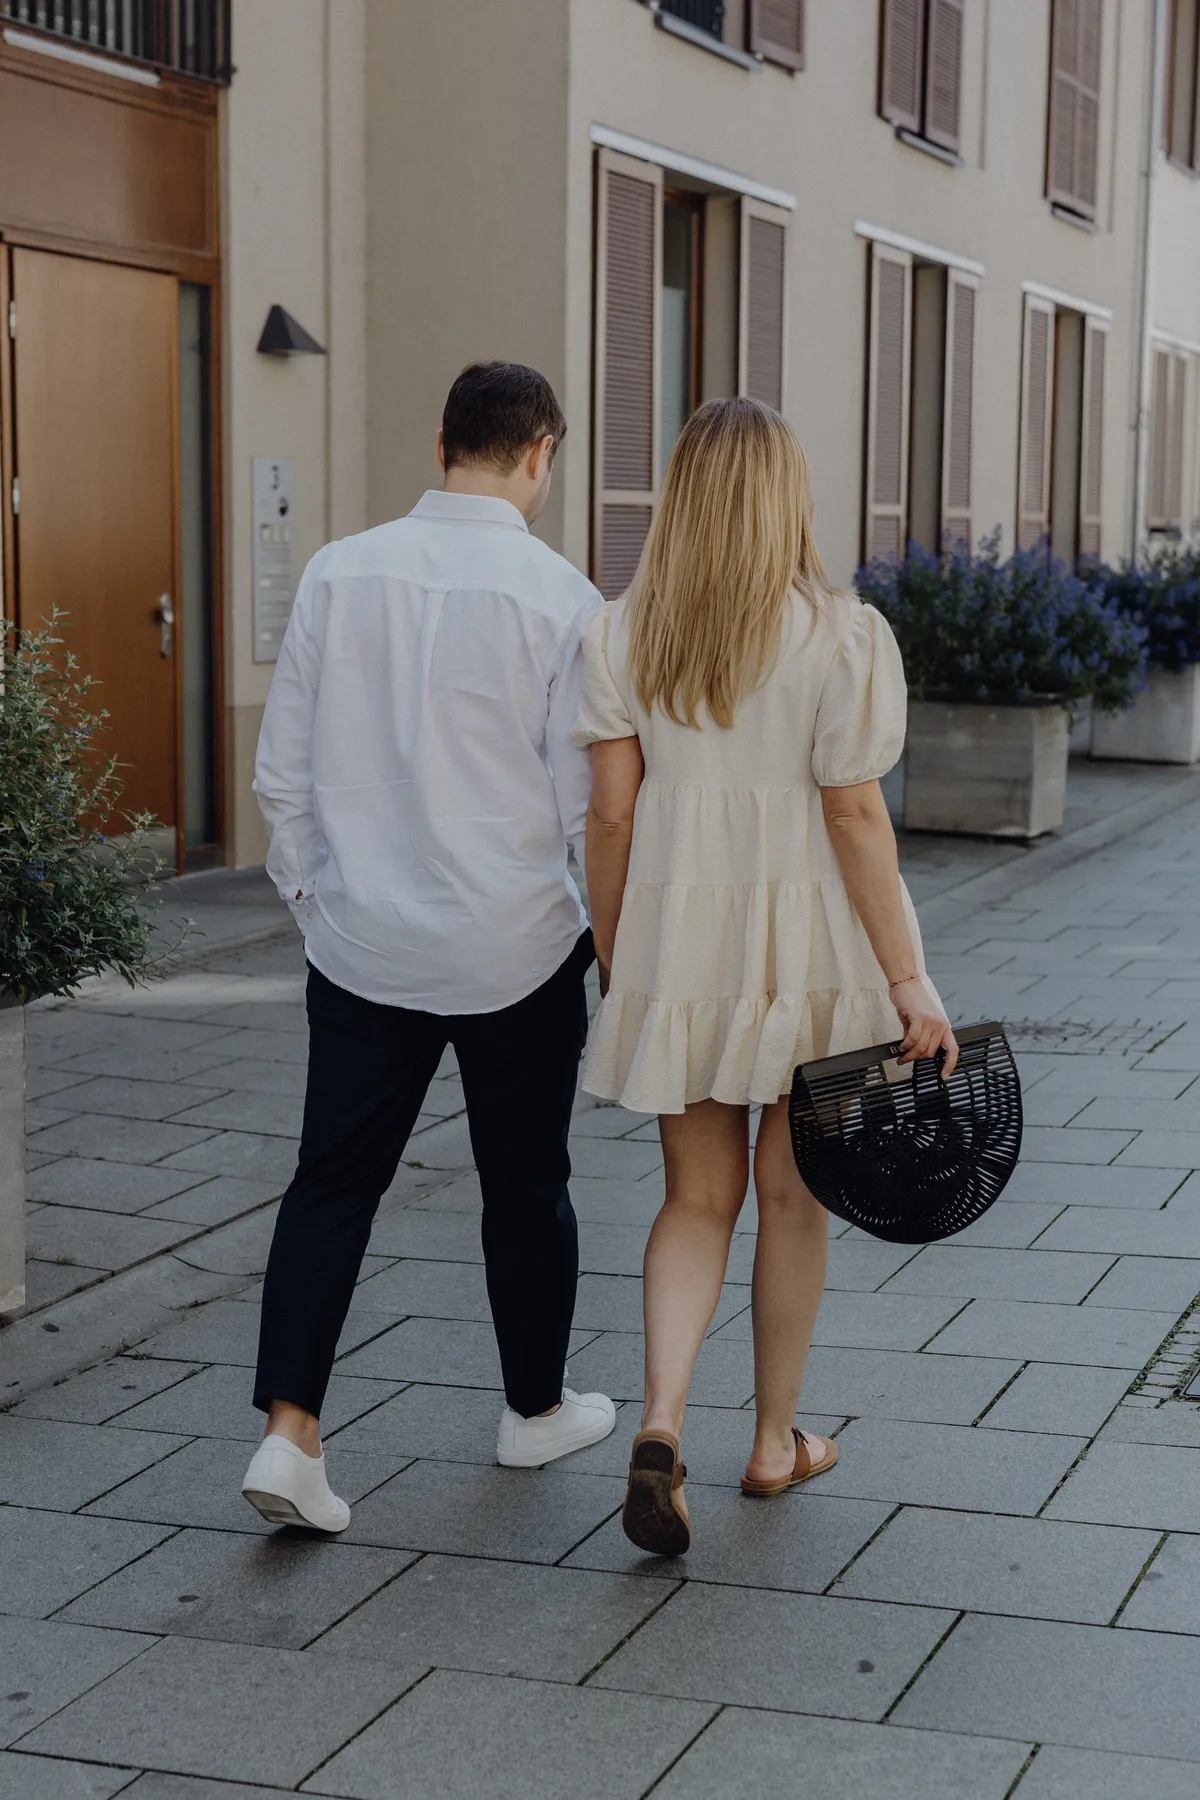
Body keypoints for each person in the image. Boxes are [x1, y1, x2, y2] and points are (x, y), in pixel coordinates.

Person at [574, 397, 956, 1557]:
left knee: (696, 1198)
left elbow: (609, 814)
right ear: (787, 497)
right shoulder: (845, 636)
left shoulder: (623, 633)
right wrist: (911, 980)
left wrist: (614, 952)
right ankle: (775, 1441)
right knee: (794, 1197)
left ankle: (658, 1422)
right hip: (813, 956)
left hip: (678, 945)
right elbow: (855, 818)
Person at [241, 362, 616, 1533]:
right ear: (542, 454)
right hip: (517, 948)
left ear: (441, 438)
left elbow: (282, 776)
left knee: (331, 1186)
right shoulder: (564, 599)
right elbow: (583, 808)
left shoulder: (338, 572)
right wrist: (601, 934)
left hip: (363, 947)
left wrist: (319, 903)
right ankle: (534, 1411)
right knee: (527, 1181)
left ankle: (289, 1437)